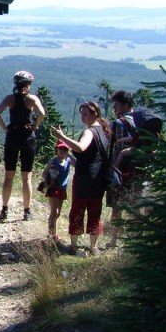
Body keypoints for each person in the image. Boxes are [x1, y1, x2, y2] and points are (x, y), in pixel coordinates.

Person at [53, 101, 111, 255]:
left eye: (85, 114)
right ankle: (93, 247)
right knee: (94, 211)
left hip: (85, 178)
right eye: (81, 113)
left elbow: (81, 147)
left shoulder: (89, 132)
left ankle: (73, 246)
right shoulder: (104, 131)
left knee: (77, 211)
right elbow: (91, 156)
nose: (82, 117)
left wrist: (62, 137)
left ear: (95, 114)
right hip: (98, 179)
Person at [0, 70, 46, 222]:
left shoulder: (9, 99)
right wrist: (35, 125)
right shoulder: (31, 99)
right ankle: (27, 211)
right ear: (28, 84)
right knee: (26, 177)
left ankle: (4, 209)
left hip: (12, 137)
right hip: (27, 138)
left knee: (8, 176)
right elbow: (42, 113)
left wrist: (4, 127)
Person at [105, 89, 138, 248]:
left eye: (117, 105)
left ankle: (113, 241)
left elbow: (107, 144)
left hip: (118, 169)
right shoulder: (141, 121)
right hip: (137, 169)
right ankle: (135, 240)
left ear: (125, 105)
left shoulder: (117, 123)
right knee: (135, 205)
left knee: (117, 207)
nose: (114, 108)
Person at [39, 140, 72, 243]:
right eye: (60, 149)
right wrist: (48, 180)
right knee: (54, 212)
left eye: (65, 149)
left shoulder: (68, 160)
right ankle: (51, 235)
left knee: (58, 213)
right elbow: (44, 174)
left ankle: (53, 233)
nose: (62, 151)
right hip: (53, 188)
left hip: (62, 189)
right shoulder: (53, 161)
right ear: (56, 149)